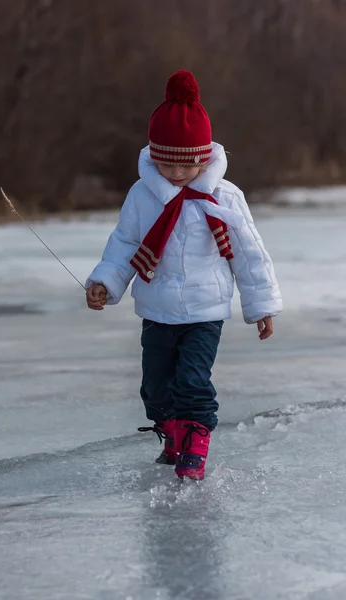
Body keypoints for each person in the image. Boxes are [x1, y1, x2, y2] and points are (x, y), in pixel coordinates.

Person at [85, 70, 282, 480]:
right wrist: (105, 281)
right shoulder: (143, 195)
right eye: (166, 164)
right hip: (156, 309)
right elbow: (124, 243)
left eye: (186, 165)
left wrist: (261, 306)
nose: (175, 174)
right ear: (154, 156)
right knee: (155, 388)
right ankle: (171, 432)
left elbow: (249, 255)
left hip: (205, 311)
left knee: (192, 380)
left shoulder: (223, 197)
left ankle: (195, 442)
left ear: (203, 157)